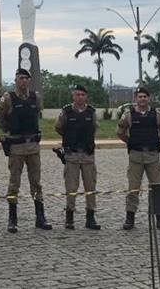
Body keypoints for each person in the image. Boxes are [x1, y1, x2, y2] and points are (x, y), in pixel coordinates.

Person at [0, 68, 52, 232]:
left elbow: (37, 114)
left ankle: (40, 217)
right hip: (16, 146)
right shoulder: (8, 98)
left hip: (33, 146)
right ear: (16, 80)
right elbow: (0, 119)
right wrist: (10, 131)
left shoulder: (36, 97)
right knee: (14, 183)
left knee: (36, 183)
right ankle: (12, 219)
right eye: (21, 78)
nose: (24, 81)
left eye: (27, 78)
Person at [117, 86, 160, 231]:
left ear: (149, 98)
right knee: (133, 188)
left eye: (145, 96)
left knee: (157, 188)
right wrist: (130, 142)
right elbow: (120, 131)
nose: (142, 99)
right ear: (135, 98)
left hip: (152, 156)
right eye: (140, 96)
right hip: (135, 156)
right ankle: (130, 218)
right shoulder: (128, 115)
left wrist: (158, 142)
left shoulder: (157, 114)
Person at [54, 84, 100, 230]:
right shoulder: (66, 112)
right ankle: (69, 217)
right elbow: (59, 127)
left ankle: (90, 217)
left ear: (85, 96)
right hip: (72, 154)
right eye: (77, 94)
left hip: (87, 155)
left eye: (82, 94)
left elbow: (95, 127)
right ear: (73, 96)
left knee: (90, 187)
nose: (80, 97)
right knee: (71, 187)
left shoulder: (91, 112)